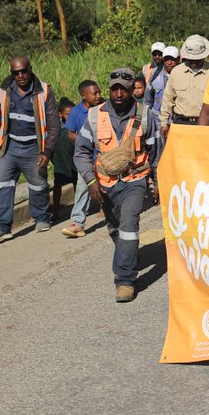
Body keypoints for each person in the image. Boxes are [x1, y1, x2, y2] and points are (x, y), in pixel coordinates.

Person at [73, 68, 162, 303]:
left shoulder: (146, 115)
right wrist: (90, 180)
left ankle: (124, 280)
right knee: (115, 228)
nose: (119, 93)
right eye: (115, 88)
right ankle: (129, 254)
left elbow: (156, 152)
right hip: (104, 184)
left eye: (124, 88)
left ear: (133, 89)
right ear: (110, 89)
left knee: (129, 223)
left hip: (135, 180)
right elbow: (80, 152)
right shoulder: (94, 116)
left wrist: (158, 181)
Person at [0, 56, 60, 244]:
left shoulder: (43, 91)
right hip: (9, 147)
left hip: (34, 147)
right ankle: (2, 227)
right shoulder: (4, 91)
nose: (20, 76)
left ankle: (41, 218)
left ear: (30, 70)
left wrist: (47, 151)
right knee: (2, 184)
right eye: (15, 72)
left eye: (23, 71)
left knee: (38, 184)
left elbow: (53, 123)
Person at [60, 79, 104, 238]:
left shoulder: (104, 107)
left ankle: (110, 210)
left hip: (104, 156)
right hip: (85, 157)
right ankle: (78, 223)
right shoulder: (76, 112)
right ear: (84, 95)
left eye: (99, 92)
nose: (99, 95)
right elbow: (70, 132)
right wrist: (84, 139)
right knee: (82, 187)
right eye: (95, 93)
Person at [160, 35, 209, 134]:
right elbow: (168, 99)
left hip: (206, 124)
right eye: (190, 58)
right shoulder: (176, 72)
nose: (193, 61)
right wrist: (164, 122)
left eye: (197, 59)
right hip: (180, 124)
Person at [51, 98, 77, 223]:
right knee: (58, 184)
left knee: (77, 182)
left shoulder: (76, 125)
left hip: (74, 157)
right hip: (60, 158)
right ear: (60, 115)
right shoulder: (56, 128)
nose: (71, 117)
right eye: (68, 114)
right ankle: (55, 211)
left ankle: (78, 208)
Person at [147, 46, 178, 113]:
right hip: (157, 117)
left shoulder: (183, 75)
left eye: (172, 59)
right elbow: (147, 99)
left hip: (176, 118)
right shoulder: (154, 73)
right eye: (166, 59)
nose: (169, 63)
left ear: (178, 59)